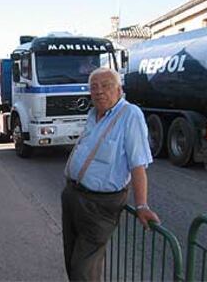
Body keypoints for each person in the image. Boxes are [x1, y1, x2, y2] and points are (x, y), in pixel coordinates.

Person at [62, 67, 160, 281]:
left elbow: (138, 165)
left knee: (82, 269)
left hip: (98, 205)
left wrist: (142, 205)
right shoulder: (93, 114)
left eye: (106, 86)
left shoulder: (130, 114)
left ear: (119, 89)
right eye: (94, 87)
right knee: (72, 260)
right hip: (73, 196)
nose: (99, 92)